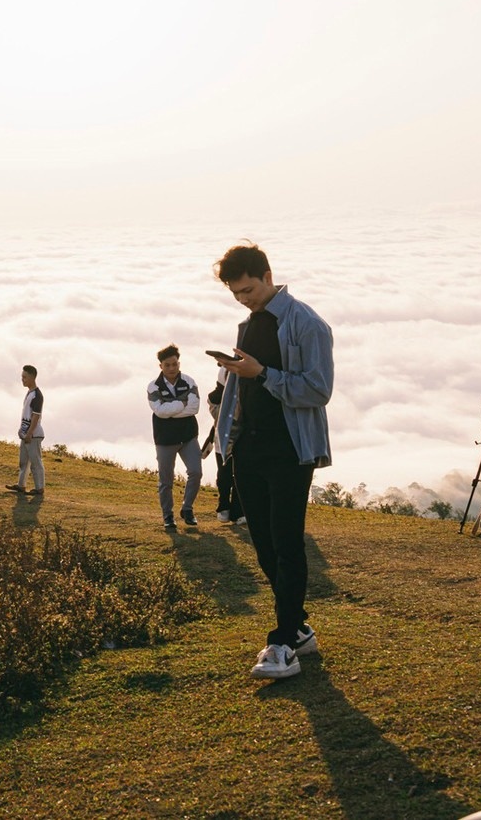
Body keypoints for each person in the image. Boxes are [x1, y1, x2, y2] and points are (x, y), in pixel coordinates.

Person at [212, 243, 334, 682]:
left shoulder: (307, 323)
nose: (243, 299)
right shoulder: (247, 326)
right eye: (235, 294)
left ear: (267, 276)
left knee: (286, 542)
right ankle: (297, 627)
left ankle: (283, 643)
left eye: (247, 290)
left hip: (290, 449)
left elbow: (318, 389)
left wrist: (262, 373)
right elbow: (244, 387)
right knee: (263, 544)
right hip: (248, 448)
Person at [148, 345, 204, 528]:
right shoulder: (153, 386)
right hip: (165, 439)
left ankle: (187, 509)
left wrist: (171, 408)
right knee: (166, 481)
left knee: (196, 472)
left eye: (175, 364)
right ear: (161, 366)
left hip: (188, 436)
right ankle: (168, 516)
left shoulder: (189, 382)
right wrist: (182, 403)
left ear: (179, 363)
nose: (172, 368)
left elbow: (194, 408)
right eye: (167, 365)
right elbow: (160, 411)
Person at [205, 370, 243, 524]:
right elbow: (216, 412)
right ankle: (223, 506)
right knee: (224, 475)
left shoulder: (245, 392)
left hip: (242, 439)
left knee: (240, 475)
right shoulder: (217, 395)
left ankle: (237, 511)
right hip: (222, 440)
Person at [8, 364, 46, 497]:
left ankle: (39, 488)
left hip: (33, 434)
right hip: (26, 433)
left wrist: (29, 433)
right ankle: (21, 485)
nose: (22, 380)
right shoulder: (30, 393)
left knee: (35, 462)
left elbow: (36, 416)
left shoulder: (37, 395)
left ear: (32, 377)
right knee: (23, 461)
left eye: (24, 377)